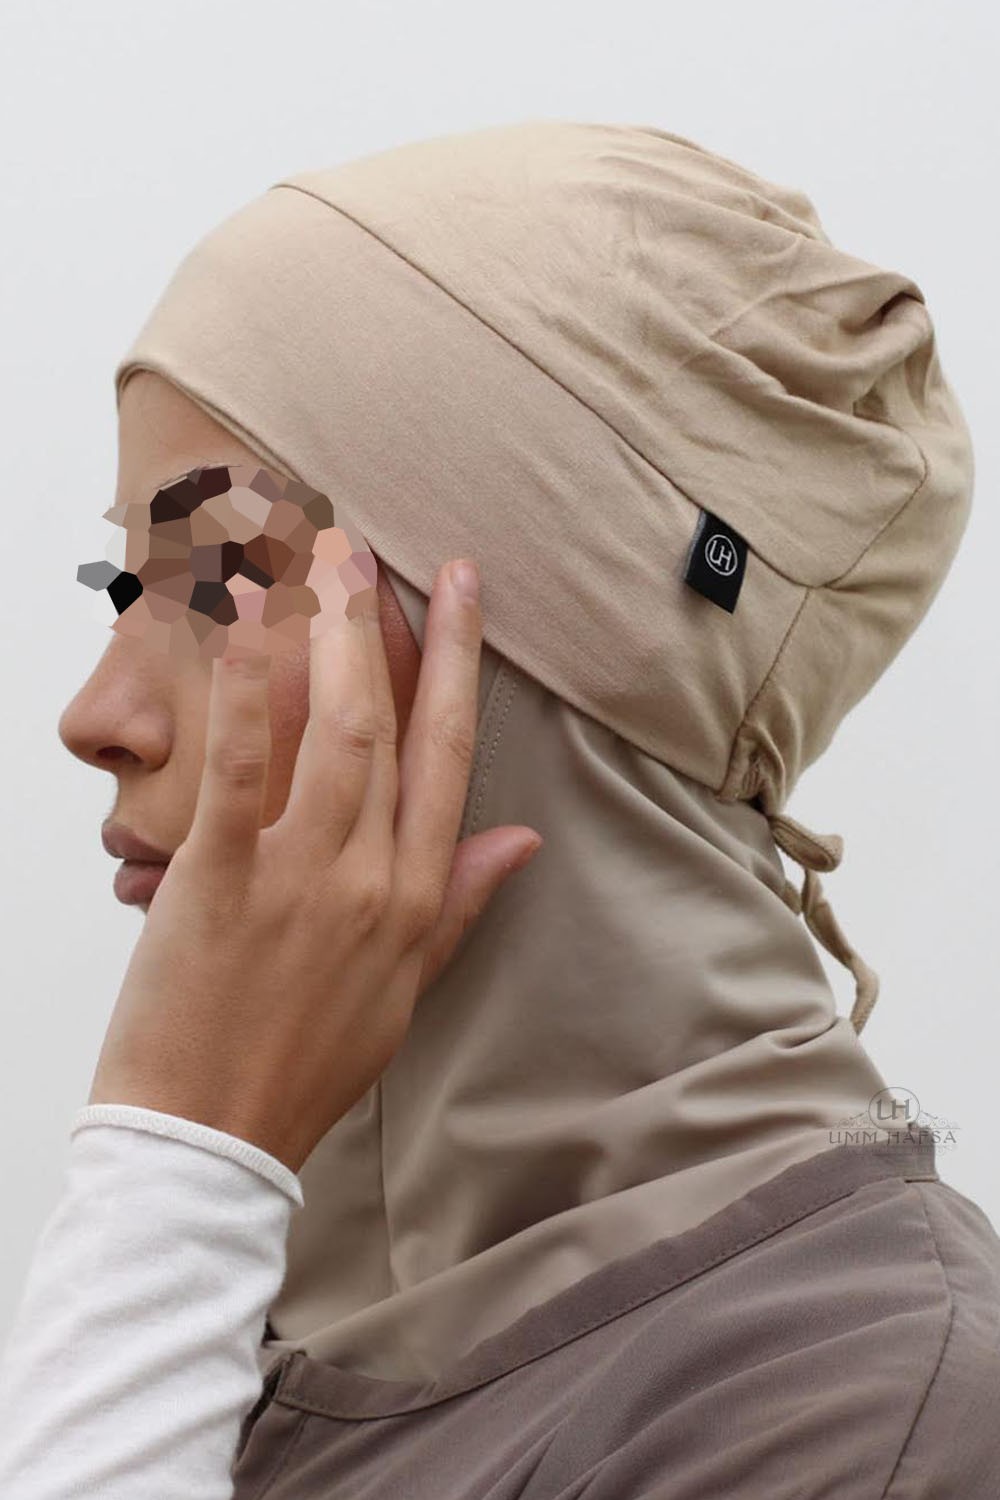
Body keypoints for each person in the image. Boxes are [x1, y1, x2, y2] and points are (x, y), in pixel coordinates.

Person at [1, 118, 998, 1498]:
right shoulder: (271, 1329)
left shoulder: (868, 1423)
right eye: (124, 589)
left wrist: (171, 1169)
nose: (95, 716)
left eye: (217, 581)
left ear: (549, 659)